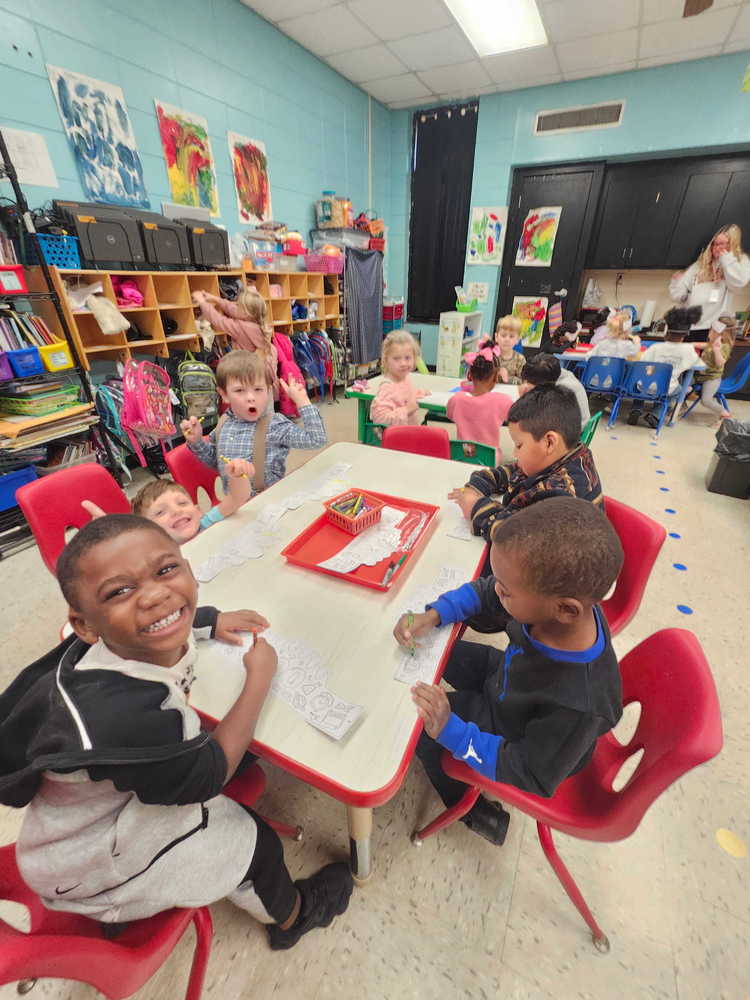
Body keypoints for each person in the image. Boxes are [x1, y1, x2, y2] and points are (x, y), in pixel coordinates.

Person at [0, 515, 353, 946]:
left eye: (167, 570)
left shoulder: (89, 648)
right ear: (85, 624)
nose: (156, 595)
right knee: (254, 842)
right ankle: (292, 918)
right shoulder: (132, 716)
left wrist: (207, 620)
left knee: (235, 746)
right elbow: (211, 776)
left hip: (72, 826)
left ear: (187, 567)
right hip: (90, 864)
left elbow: (158, 615)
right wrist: (258, 679)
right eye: (119, 591)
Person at [394, 497, 623, 845]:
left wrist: (450, 732)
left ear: (564, 609)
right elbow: (486, 592)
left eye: (506, 590)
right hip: (507, 681)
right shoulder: (552, 607)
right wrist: (436, 614)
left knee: (422, 733)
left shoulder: (579, 705)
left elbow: (530, 771)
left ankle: (469, 807)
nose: (496, 589)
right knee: (438, 649)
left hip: (515, 737)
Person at [449, 385, 602, 543]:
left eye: (519, 445)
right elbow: (514, 471)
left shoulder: (563, 495)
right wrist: (479, 483)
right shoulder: (562, 455)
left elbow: (514, 539)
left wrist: (476, 506)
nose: (515, 453)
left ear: (549, 442)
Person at [183, 350, 326, 496]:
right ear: (224, 395)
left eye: (258, 389)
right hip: (233, 504)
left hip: (268, 501)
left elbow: (316, 440)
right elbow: (216, 462)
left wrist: (302, 401)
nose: (251, 397)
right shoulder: (223, 423)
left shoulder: (274, 425)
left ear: (268, 391)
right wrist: (197, 441)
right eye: (239, 390)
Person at [669, 225, 750, 341]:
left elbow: (738, 282)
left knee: (709, 358)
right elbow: (678, 296)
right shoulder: (699, 265)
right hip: (691, 327)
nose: (717, 247)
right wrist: (675, 283)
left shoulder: (740, 261)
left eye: (722, 244)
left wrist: (726, 259)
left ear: (732, 245)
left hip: (717, 328)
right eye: (715, 244)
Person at [628, 306, 703, 428]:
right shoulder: (688, 350)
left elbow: (641, 363)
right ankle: (656, 414)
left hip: (644, 386)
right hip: (666, 389)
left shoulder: (655, 347)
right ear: (685, 335)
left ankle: (636, 409)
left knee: (640, 384)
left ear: (667, 332)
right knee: (680, 390)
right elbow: (700, 366)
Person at [193, 287, 278, 387]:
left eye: (238, 305)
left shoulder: (241, 328)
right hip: (262, 377)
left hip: (249, 377)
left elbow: (218, 320)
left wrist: (202, 302)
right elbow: (234, 310)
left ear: (247, 312)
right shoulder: (256, 323)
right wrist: (215, 299)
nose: (235, 307)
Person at [446, 345, 513, 462]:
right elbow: (515, 417)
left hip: (461, 456)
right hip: (489, 459)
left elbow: (449, 414)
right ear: (496, 377)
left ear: (470, 374)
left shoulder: (457, 399)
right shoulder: (502, 401)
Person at [370, 329, 430, 426]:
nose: (403, 363)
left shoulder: (404, 378)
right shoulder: (387, 387)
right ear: (386, 360)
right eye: (396, 359)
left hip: (410, 433)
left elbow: (404, 397)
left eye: (407, 358)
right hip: (397, 438)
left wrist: (420, 393)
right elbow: (380, 418)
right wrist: (406, 410)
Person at [684, 314, 738, 419]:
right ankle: (685, 393)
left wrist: (716, 350)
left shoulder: (724, 346)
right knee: (683, 380)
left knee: (706, 401)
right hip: (699, 375)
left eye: (713, 332)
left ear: (723, 334)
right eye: (710, 330)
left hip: (712, 378)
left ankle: (726, 414)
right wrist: (688, 344)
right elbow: (702, 345)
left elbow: (720, 363)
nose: (709, 333)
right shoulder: (712, 342)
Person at [519, 353, 590, 424]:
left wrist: (524, 398)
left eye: (529, 382)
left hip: (573, 429)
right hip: (574, 421)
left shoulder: (562, 389)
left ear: (543, 383)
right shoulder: (557, 372)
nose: (526, 384)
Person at [479, 315, 525, 384]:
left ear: (517, 340)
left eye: (511, 336)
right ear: (496, 337)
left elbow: (524, 382)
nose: (507, 339)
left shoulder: (520, 359)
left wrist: (507, 378)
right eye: (503, 335)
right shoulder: (490, 356)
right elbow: (480, 376)